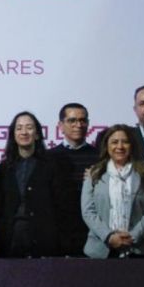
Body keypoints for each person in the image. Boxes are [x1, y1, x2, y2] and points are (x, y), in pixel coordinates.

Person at [0, 111, 63, 258]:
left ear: (37, 134)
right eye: (19, 128)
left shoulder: (52, 166)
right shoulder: (2, 169)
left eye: (29, 127)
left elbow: (59, 204)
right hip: (10, 239)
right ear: (13, 135)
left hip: (44, 240)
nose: (24, 132)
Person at [81, 125, 144, 259]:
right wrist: (109, 236)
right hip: (101, 250)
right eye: (114, 142)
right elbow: (88, 211)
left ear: (132, 145)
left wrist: (133, 236)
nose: (120, 146)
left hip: (138, 249)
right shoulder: (94, 174)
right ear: (107, 146)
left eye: (125, 142)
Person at [49, 103, 96, 256]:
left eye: (83, 120)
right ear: (60, 125)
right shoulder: (48, 157)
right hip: (58, 230)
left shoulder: (99, 156)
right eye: (72, 120)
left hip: (92, 231)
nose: (78, 125)